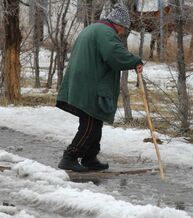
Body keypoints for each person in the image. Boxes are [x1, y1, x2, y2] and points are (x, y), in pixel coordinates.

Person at [56, 3, 143, 172]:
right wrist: (135, 61)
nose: (123, 33)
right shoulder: (106, 32)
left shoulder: (95, 28)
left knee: (94, 121)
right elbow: (114, 54)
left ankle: (90, 158)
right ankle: (70, 157)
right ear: (118, 24)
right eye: (124, 29)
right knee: (90, 124)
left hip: (84, 81)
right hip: (89, 83)